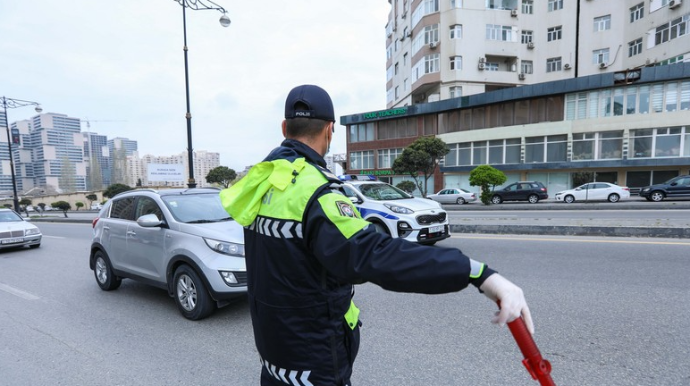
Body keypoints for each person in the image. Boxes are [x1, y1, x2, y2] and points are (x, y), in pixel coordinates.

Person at [221, 84, 533, 386]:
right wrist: (476, 272)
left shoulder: (260, 183)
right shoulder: (315, 191)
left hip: (274, 356)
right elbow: (373, 254)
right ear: (330, 129)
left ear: (284, 127)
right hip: (312, 364)